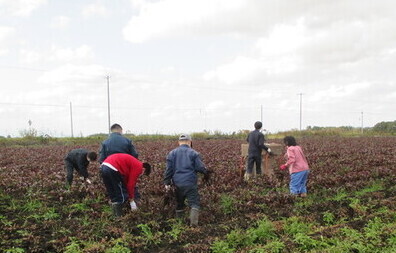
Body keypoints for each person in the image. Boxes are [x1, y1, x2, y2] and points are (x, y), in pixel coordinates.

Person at [163, 134, 208, 226]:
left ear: (179, 142)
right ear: (189, 142)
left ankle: (180, 224)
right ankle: (193, 225)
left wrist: (167, 183)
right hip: (190, 183)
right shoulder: (194, 153)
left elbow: (168, 170)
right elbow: (200, 168)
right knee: (194, 203)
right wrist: (207, 172)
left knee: (179, 204)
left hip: (177, 183)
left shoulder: (172, 153)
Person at [99, 123, 141, 201]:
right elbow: (134, 155)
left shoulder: (105, 142)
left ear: (111, 131)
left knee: (115, 189)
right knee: (130, 186)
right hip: (124, 169)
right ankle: (134, 205)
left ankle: (117, 206)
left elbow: (101, 159)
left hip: (109, 168)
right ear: (120, 130)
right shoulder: (127, 141)